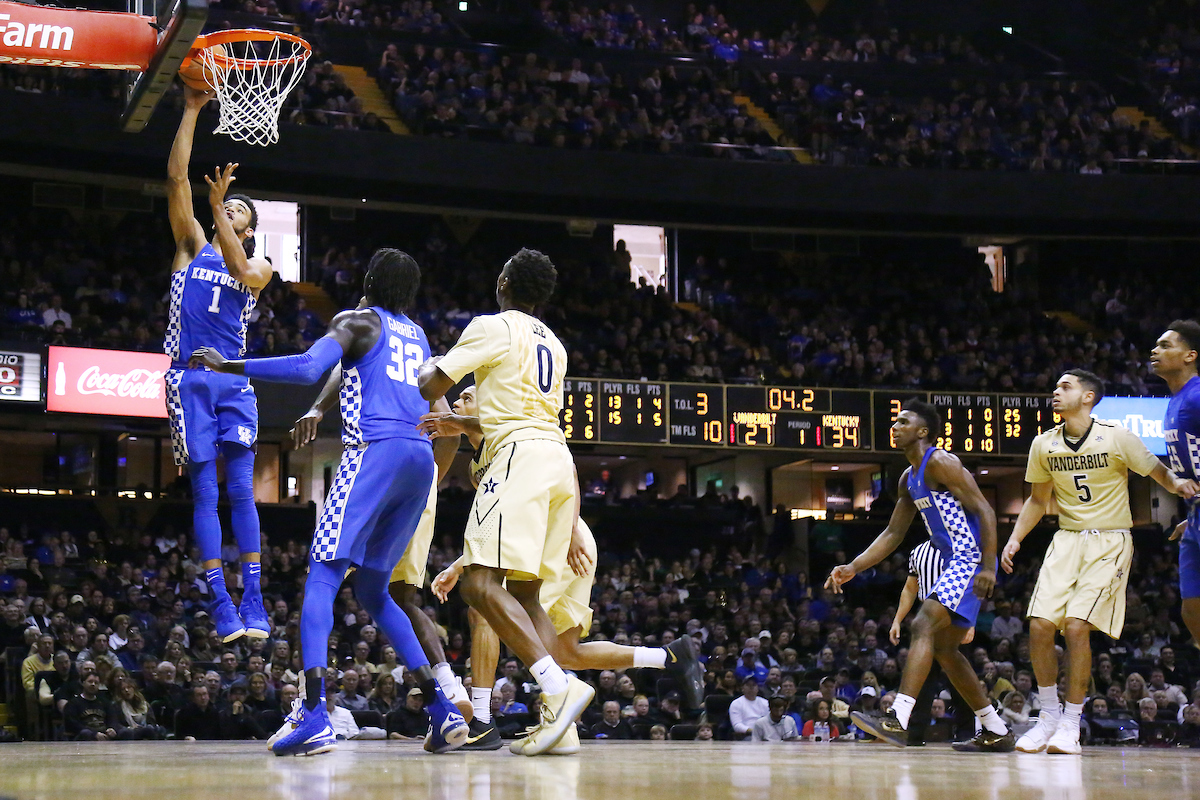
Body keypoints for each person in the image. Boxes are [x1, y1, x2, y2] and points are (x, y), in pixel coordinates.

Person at [191, 248, 467, 757]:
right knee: (375, 591)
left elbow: (306, 366)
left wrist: (228, 364)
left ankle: (315, 713)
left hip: (376, 453)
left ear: (369, 282)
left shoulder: (358, 320)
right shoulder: (417, 334)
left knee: (321, 573)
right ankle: (442, 707)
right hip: (419, 460)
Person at [426, 383, 704, 751]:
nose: (459, 403)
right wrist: (460, 565)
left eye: (467, 398)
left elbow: (567, 471)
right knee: (563, 651)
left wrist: (569, 529)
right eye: (457, 398)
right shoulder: (482, 456)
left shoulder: (511, 431)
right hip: (550, 540)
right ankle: (669, 657)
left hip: (559, 540)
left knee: (484, 610)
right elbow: (503, 526)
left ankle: (482, 721)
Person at [416, 249, 600, 756]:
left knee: (478, 582)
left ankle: (559, 690)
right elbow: (521, 414)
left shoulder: (492, 325)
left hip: (516, 459)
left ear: (503, 282)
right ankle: (561, 726)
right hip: (559, 461)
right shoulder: (555, 345)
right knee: (526, 596)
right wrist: (463, 424)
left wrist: (418, 364)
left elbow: (433, 384)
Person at [1002, 370, 1196, 755]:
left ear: (1088, 397)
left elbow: (1156, 471)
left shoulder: (1116, 435)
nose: (1055, 392)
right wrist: (1015, 538)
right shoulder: (1043, 444)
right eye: (1055, 386)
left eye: (1065, 387)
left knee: (1076, 628)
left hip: (1110, 539)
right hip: (1066, 540)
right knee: (1040, 626)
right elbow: (1039, 500)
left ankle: (1071, 725)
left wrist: (1179, 485)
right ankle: (1048, 719)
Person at [289, 328, 472, 723]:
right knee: (386, 595)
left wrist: (317, 408)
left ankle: (311, 709)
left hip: (375, 466)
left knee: (324, 577)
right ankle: (446, 698)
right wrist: (429, 485)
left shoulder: (369, 334)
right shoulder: (418, 353)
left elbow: (322, 365)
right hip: (419, 476)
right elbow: (449, 432)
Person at [829, 399, 1014, 751]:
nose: (895, 426)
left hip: (968, 557)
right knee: (946, 651)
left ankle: (898, 718)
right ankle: (996, 729)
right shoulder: (907, 478)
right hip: (952, 561)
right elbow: (893, 534)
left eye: (903, 421)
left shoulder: (941, 462)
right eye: (895, 421)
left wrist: (989, 566)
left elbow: (986, 510)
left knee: (922, 624)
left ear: (923, 431)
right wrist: (853, 566)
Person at [165, 86, 274, 643]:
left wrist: (218, 213)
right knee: (206, 492)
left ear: (249, 227)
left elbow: (238, 263)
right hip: (190, 379)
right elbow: (177, 180)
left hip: (234, 379)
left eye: (238, 209)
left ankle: (254, 599)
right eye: (227, 203)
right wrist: (190, 110)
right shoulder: (190, 246)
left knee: (242, 493)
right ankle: (221, 603)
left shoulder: (258, 263)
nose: (228, 204)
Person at [1151, 321, 1200, 651]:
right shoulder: (1173, 402)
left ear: (1189, 355)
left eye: (1166, 345)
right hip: (1195, 517)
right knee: (1190, 609)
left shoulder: (1196, 398)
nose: (1156, 351)